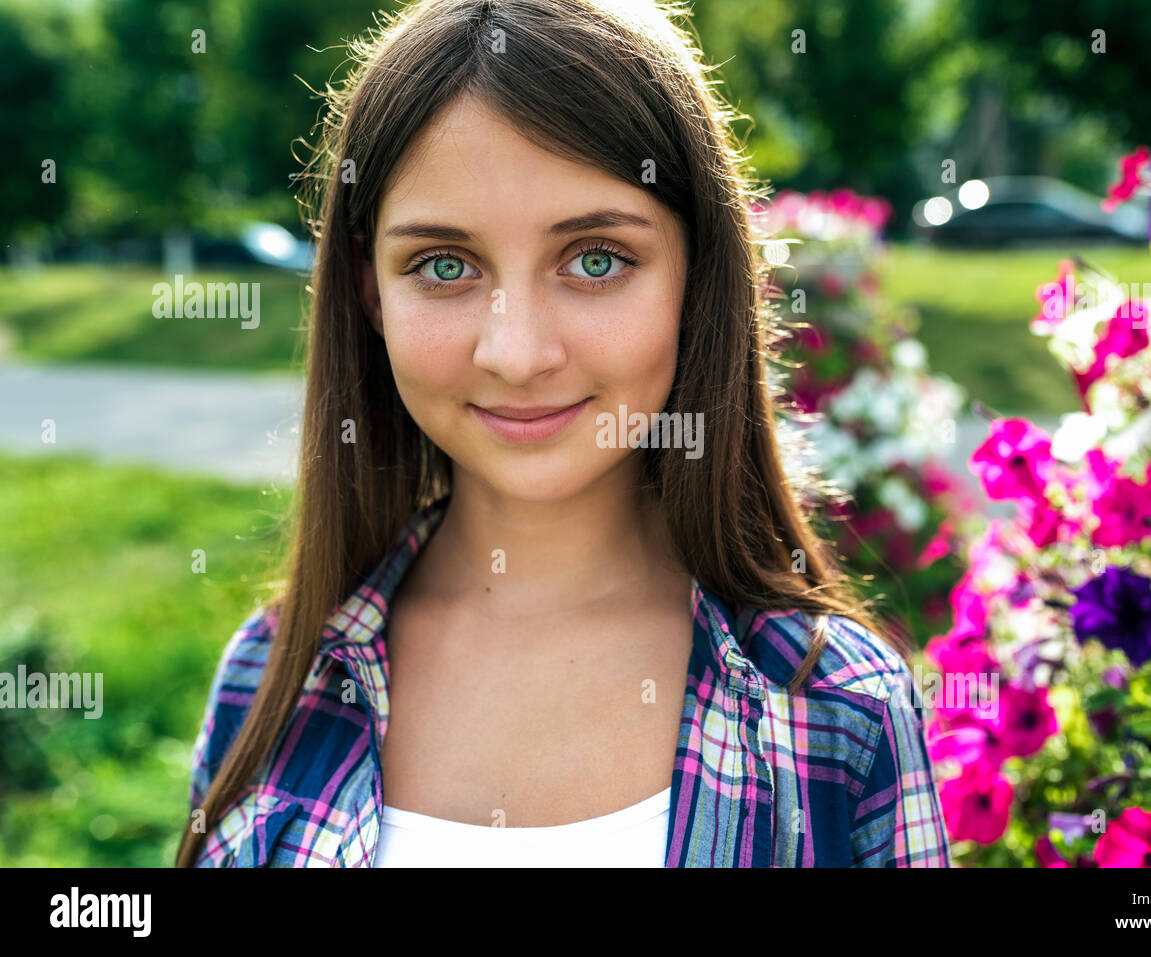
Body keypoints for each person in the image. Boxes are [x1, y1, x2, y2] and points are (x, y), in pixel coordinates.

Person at [175, 0, 951, 868]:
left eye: (594, 259)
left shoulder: (836, 709)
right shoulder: (272, 679)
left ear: (697, 276)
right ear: (369, 291)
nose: (517, 352)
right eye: (443, 265)